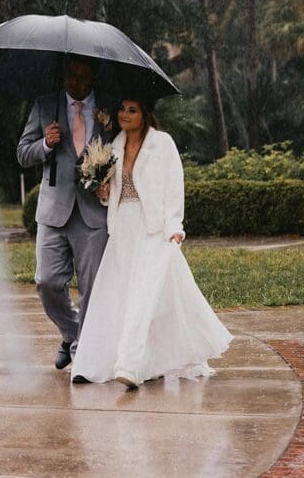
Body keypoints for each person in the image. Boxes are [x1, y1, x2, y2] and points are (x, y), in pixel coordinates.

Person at [70, 97, 233, 389]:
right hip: (123, 229)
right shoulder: (113, 147)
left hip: (154, 228)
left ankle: (129, 366)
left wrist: (174, 225)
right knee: (120, 295)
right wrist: (103, 192)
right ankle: (101, 362)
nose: (125, 115)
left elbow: (174, 184)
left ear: (145, 114)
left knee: (143, 296)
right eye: (121, 109)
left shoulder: (163, 144)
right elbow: (113, 195)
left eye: (132, 110)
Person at [16, 55, 117, 372]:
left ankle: (82, 354)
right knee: (46, 281)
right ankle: (72, 333)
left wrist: (107, 183)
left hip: (93, 214)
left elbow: (121, 152)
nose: (77, 83)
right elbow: (22, 153)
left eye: (84, 77)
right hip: (53, 211)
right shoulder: (44, 105)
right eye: (72, 76)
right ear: (64, 76)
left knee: (91, 288)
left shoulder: (109, 109)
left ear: (93, 78)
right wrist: (45, 144)